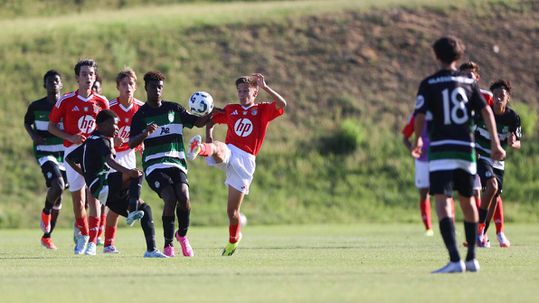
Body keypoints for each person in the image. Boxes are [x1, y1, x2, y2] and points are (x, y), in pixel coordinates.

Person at [412, 36, 505, 273]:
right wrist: (495, 142)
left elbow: (420, 116)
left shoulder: (429, 83)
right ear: (459, 57)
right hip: (466, 148)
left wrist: (418, 140)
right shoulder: (468, 83)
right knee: (468, 201)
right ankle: (472, 258)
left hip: (442, 148)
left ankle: (455, 259)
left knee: (443, 202)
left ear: (436, 55)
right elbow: (487, 112)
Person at [187, 73, 287, 256]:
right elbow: (211, 119)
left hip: (246, 161)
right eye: (240, 91)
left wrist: (265, 87)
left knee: (232, 212)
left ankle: (233, 240)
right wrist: (208, 130)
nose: (242, 94)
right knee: (220, 149)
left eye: (246, 91)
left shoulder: (262, 110)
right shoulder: (231, 109)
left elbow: (282, 104)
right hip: (230, 151)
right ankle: (199, 148)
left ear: (255, 92)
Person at [129, 71, 211, 257]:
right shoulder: (141, 115)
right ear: (146, 88)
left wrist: (212, 113)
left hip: (176, 163)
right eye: (153, 87)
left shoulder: (174, 109)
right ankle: (168, 245)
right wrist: (145, 133)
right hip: (154, 165)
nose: (157, 90)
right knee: (170, 198)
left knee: (184, 198)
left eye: (160, 87)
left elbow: (197, 122)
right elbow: (131, 143)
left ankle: (182, 235)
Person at [65, 110, 166, 258]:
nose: (117, 128)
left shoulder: (90, 141)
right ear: (102, 125)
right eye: (115, 124)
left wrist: (86, 175)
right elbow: (110, 161)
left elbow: (69, 158)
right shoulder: (102, 140)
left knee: (145, 208)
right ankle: (132, 210)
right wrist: (128, 171)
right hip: (103, 184)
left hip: (103, 193)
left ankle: (151, 250)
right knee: (137, 173)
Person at [48, 59, 109, 255]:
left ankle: (92, 241)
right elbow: (51, 126)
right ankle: (82, 234)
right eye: (84, 74)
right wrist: (70, 137)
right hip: (72, 155)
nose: (88, 78)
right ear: (77, 78)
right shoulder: (66, 100)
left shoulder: (102, 102)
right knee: (78, 201)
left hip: (94, 155)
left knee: (95, 197)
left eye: (91, 74)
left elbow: (108, 130)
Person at [459, 62, 508, 247]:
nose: (467, 78)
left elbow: (498, 118)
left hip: (486, 152)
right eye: (464, 75)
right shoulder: (456, 98)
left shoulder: (487, 97)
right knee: (476, 191)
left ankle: (499, 232)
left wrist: (500, 142)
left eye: (470, 75)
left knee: (493, 190)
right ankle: (482, 235)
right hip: (466, 151)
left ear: (477, 78)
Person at [24, 70, 68, 250]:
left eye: (56, 81)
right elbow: (27, 122)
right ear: (45, 85)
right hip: (45, 151)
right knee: (57, 185)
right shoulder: (36, 106)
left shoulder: (66, 105)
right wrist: (34, 135)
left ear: (61, 85)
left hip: (64, 154)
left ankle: (47, 236)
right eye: (49, 82)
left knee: (58, 196)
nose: (53, 84)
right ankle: (45, 212)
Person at [474, 80, 521, 248]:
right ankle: (479, 229)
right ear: (492, 97)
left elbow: (517, 143)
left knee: (494, 197)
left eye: (502, 96)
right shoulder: (483, 113)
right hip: (481, 156)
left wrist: (512, 142)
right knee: (491, 187)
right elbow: (470, 131)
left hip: (498, 162)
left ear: (508, 98)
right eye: (496, 96)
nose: (499, 99)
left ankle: (482, 234)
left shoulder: (513, 118)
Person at [104, 68, 145, 254]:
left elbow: (146, 132)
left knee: (118, 200)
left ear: (135, 87)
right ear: (117, 87)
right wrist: (113, 140)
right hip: (112, 157)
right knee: (112, 200)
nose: (127, 87)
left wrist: (143, 143)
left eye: (131, 84)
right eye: (124, 84)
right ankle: (102, 240)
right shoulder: (110, 107)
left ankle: (108, 242)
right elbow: (98, 134)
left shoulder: (141, 108)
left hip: (129, 156)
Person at [402, 114, 433, 236]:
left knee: (446, 192)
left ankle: (449, 225)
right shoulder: (416, 115)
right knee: (424, 193)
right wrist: (412, 149)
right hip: (422, 161)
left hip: (439, 159)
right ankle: (428, 228)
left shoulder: (440, 109)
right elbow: (405, 138)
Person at [91, 73, 107, 246]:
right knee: (88, 194)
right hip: (88, 151)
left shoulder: (103, 106)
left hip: (103, 152)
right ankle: (83, 229)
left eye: (96, 87)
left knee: (103, 194)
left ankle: (100, 231)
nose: (93, 89)